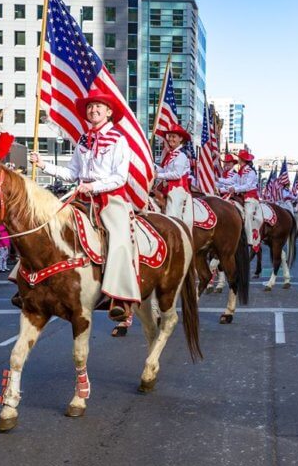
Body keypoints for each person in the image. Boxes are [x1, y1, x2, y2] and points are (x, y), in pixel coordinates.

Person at [29, 89, 140, 322]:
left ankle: (119, 297)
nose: (93, 109)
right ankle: (29, 284)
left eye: (99, 106)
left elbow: (120, 177)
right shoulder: (83, 140)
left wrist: (93, 186)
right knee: (46, 224)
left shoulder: (119, 140)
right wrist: (43, 165)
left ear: (109, 112)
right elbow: (72, 173)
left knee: (119, 239)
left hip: (110, 199)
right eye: (90, 106)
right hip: (81, 198)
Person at [156, 124, 194, 228]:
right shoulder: (171, 155)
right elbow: (165, 170)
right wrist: (152, 167)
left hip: (178, 189)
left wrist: (158, 175)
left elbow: (177, 174)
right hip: (168, 188)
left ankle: (176, 230)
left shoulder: (181, 155)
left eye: (174, 136)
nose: (170, 139)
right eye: (170, 136)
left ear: (180, 139)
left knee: (171, 215)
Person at [229, 149, 262, 253]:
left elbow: (247, 187)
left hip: (250, 198)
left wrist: (236, 189)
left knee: (248, 214)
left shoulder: (251, 172)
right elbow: (231, 181)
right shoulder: (240, 171)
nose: (238, 159)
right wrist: (216, 181)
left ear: (242, 159)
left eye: (239, 157)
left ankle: (249, 239)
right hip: (241, 197)